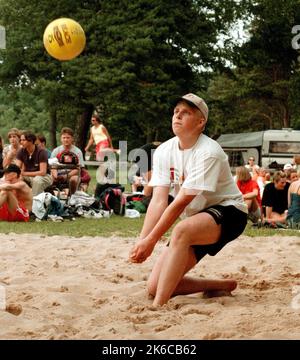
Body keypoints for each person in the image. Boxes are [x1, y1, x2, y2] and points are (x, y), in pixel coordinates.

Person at [129, 93, 248, 307]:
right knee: (153, 286)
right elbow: (158, 201)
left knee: (181, 230)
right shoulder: (164, 150)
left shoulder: (209, 151)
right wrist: (143, 240)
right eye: (176, 111)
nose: (177, 116)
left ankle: (158, 306)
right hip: (198, 219)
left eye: (186, 113)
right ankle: (219, 285)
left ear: (201, 122)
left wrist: (152, 241)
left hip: (230, 212)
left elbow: (181, 201)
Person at [15, 131, 53, 196]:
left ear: (31, 141)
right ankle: (18, 201)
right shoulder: (21, 151)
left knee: (37, 180)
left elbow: (43, 172)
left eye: (24, 140)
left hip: (44, 177)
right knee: (16, 178)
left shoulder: (41, 152)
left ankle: (34, 201)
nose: (21, 142)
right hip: (28, 176)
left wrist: (24, 173)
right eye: (20, 140)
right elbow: (16, 168)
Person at [50, 127, 85, 195]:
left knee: (74, 179)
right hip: (58, 174)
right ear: (61, 139)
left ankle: (72, 197)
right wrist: (55, 175)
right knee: (48, 179)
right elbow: (52, 166)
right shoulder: (56, 151)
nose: (66, 140)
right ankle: (51, 197)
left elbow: (78, 168)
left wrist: (66, 176)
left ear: (72, 139)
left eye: (68, 138)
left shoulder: (77, 151)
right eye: (64, 137)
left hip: (72, 174)